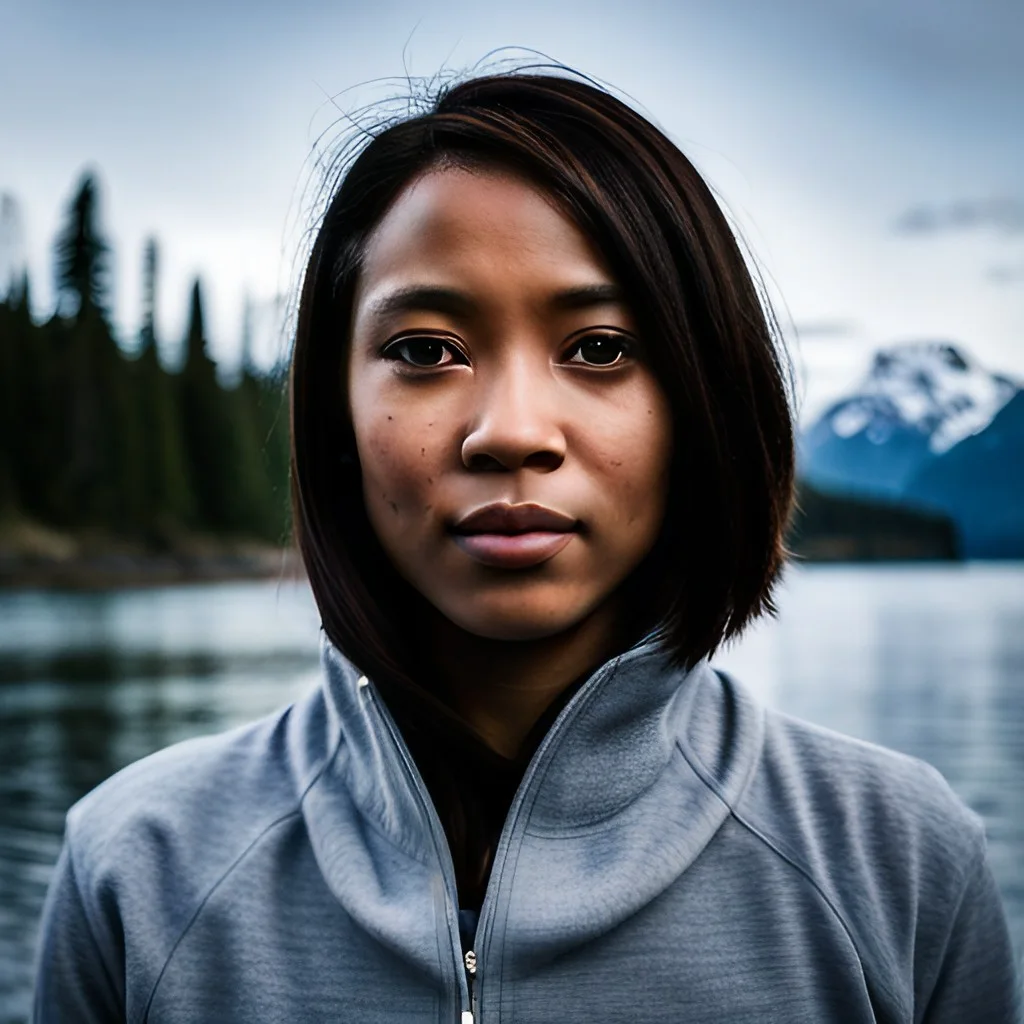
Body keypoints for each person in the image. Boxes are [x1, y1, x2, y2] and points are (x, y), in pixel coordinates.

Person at [34, 70, 1021, 1023]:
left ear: (704, 405)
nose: (510, 430)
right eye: (424, 350)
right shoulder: (137, 866)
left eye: (599, 349)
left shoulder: (896, 857)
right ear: (333, 411)